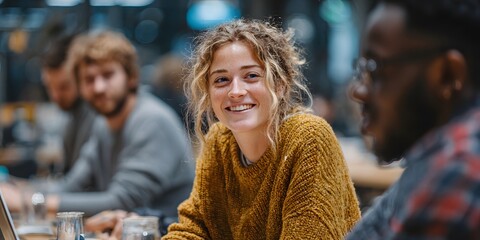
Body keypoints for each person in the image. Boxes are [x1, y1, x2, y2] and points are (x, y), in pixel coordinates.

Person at [161, 18, 360, 239]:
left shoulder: (308, 137)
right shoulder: (219, 141)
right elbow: (194, 227)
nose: (235, 91)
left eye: (252, 76)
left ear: (280, 84)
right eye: (222, 80)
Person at [1, 30, 195, 219]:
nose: (99, 87)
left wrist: (28, 202)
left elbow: (123, 201)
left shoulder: (152, 120)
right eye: (89, 79)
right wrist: (17, 190)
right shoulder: (104, 124)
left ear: (131, 77)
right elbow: (71, 185)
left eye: (108, 75)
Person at [347, 0, 480, 238]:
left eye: (376, 69)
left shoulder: (457, 170)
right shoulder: (432, 161)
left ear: (447, 76)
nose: (358, 90)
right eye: (361, 69)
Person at [41, 34, 97, 175]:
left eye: (63, 87)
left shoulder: (96, 118)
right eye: (49, 87)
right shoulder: (71, 118)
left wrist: (34, 195)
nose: (55, 96)